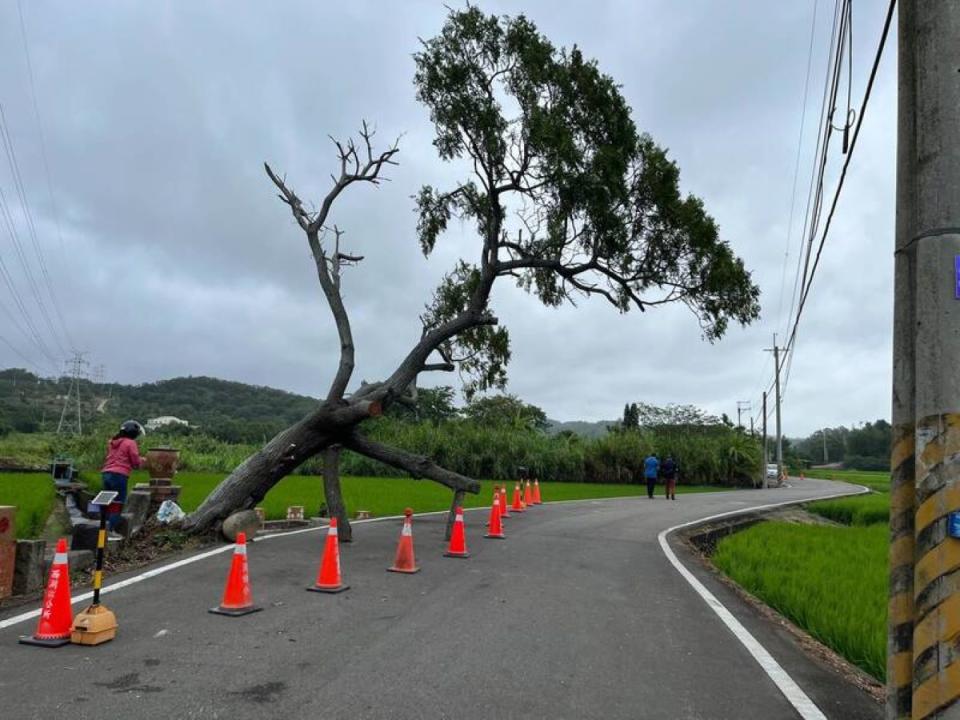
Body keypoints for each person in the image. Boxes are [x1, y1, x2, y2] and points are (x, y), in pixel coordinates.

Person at [100, 420, 147, 536]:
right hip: (119, 475)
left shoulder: (113, 442)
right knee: (118, 503)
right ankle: (111, 531)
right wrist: (143, 461)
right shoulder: (130, 443)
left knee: (107, 501)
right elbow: (135, 461)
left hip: (106, 473)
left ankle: (103, 528)